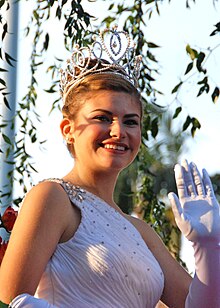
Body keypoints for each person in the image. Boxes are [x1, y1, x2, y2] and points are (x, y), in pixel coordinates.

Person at [0, 26, 219, 308]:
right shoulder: (52, 198)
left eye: (130, 121)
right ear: (68, 129)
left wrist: (208, 246)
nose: (118, 131)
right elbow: (7, 302)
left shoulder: (141, 231)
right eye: (103, 118)